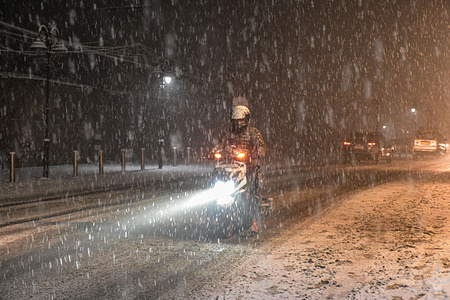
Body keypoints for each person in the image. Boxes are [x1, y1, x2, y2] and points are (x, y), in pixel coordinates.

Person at [214, 104, 266, 233]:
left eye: (241, 120)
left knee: (251, 193)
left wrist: (257, 152)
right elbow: (220, 145)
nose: (238, 123)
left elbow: (261, 147)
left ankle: (254, 223)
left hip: (249, 168)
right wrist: (214, 151)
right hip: (229, 167)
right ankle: (216, 218)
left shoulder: (253, 132)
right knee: (214, 184)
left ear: (247, 120)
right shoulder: (227, 133)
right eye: (235, 120)